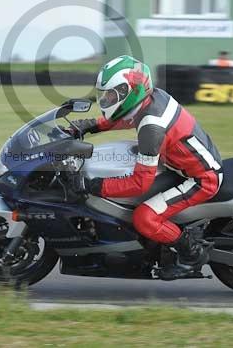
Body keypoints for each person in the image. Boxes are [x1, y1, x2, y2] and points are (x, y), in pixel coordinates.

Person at [69, 55, 223, 278]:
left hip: (202, 179)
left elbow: (140, 183)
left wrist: (92, 185)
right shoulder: (151, 99)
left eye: (113, 94)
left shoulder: (152, 127)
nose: (107, 99)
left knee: (144, 217)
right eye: (106, 94)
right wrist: (89, 125)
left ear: (131, 93)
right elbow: (127, 117)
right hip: (180, 165)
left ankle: (192, 253)